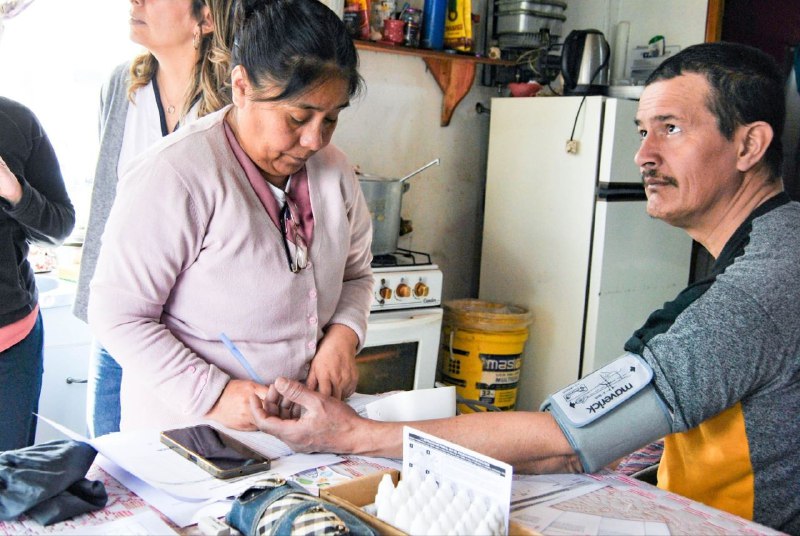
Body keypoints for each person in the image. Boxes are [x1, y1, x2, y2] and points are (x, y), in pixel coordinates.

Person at [249, 42, 800, 535]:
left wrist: (352, 435)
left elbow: (566, 441)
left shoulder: (764, 285)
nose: (643, 155)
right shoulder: (772, 243)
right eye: (642, 131)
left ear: (750, 144)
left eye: (672, 129)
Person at [87, 0, 373, 432]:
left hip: (300, 438)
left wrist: (343, 336)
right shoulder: (177, 174)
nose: (314, 139)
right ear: (241, 87)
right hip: (188, 438)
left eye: (330, 119)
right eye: (297, 117)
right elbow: (118, 315)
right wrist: (213, 393)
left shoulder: (333, 173)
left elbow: (356, 276)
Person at [74, 0, 236, 438]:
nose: (135, 1)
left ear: (204, 19)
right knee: (106, 448)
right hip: (123, 314)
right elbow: (111, 199)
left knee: (185, 456)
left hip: (193, 329)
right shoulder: (121, 87)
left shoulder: (236, 100)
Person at [0, 97, 76, 450]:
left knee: (10, 488)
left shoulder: (15, 121)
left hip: (11, 346)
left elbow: (60, 226)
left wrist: (16, 193)